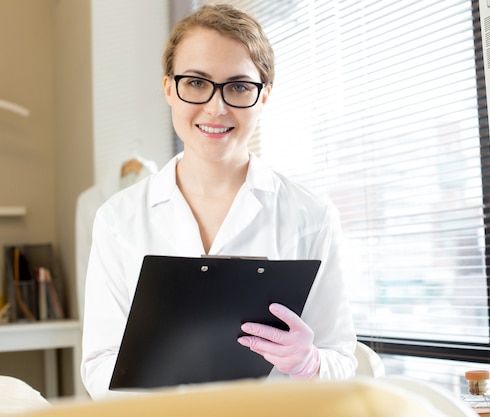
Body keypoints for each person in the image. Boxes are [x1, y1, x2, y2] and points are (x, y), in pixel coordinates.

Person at [80, 3, 358, 399]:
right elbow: (99, 363)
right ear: (168, 89)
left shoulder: (311, 216)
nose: (216, 106)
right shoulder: (117, 219)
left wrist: (309, 363)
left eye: (239, 86)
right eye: (196, 82)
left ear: (263, 97)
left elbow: (343, 362)